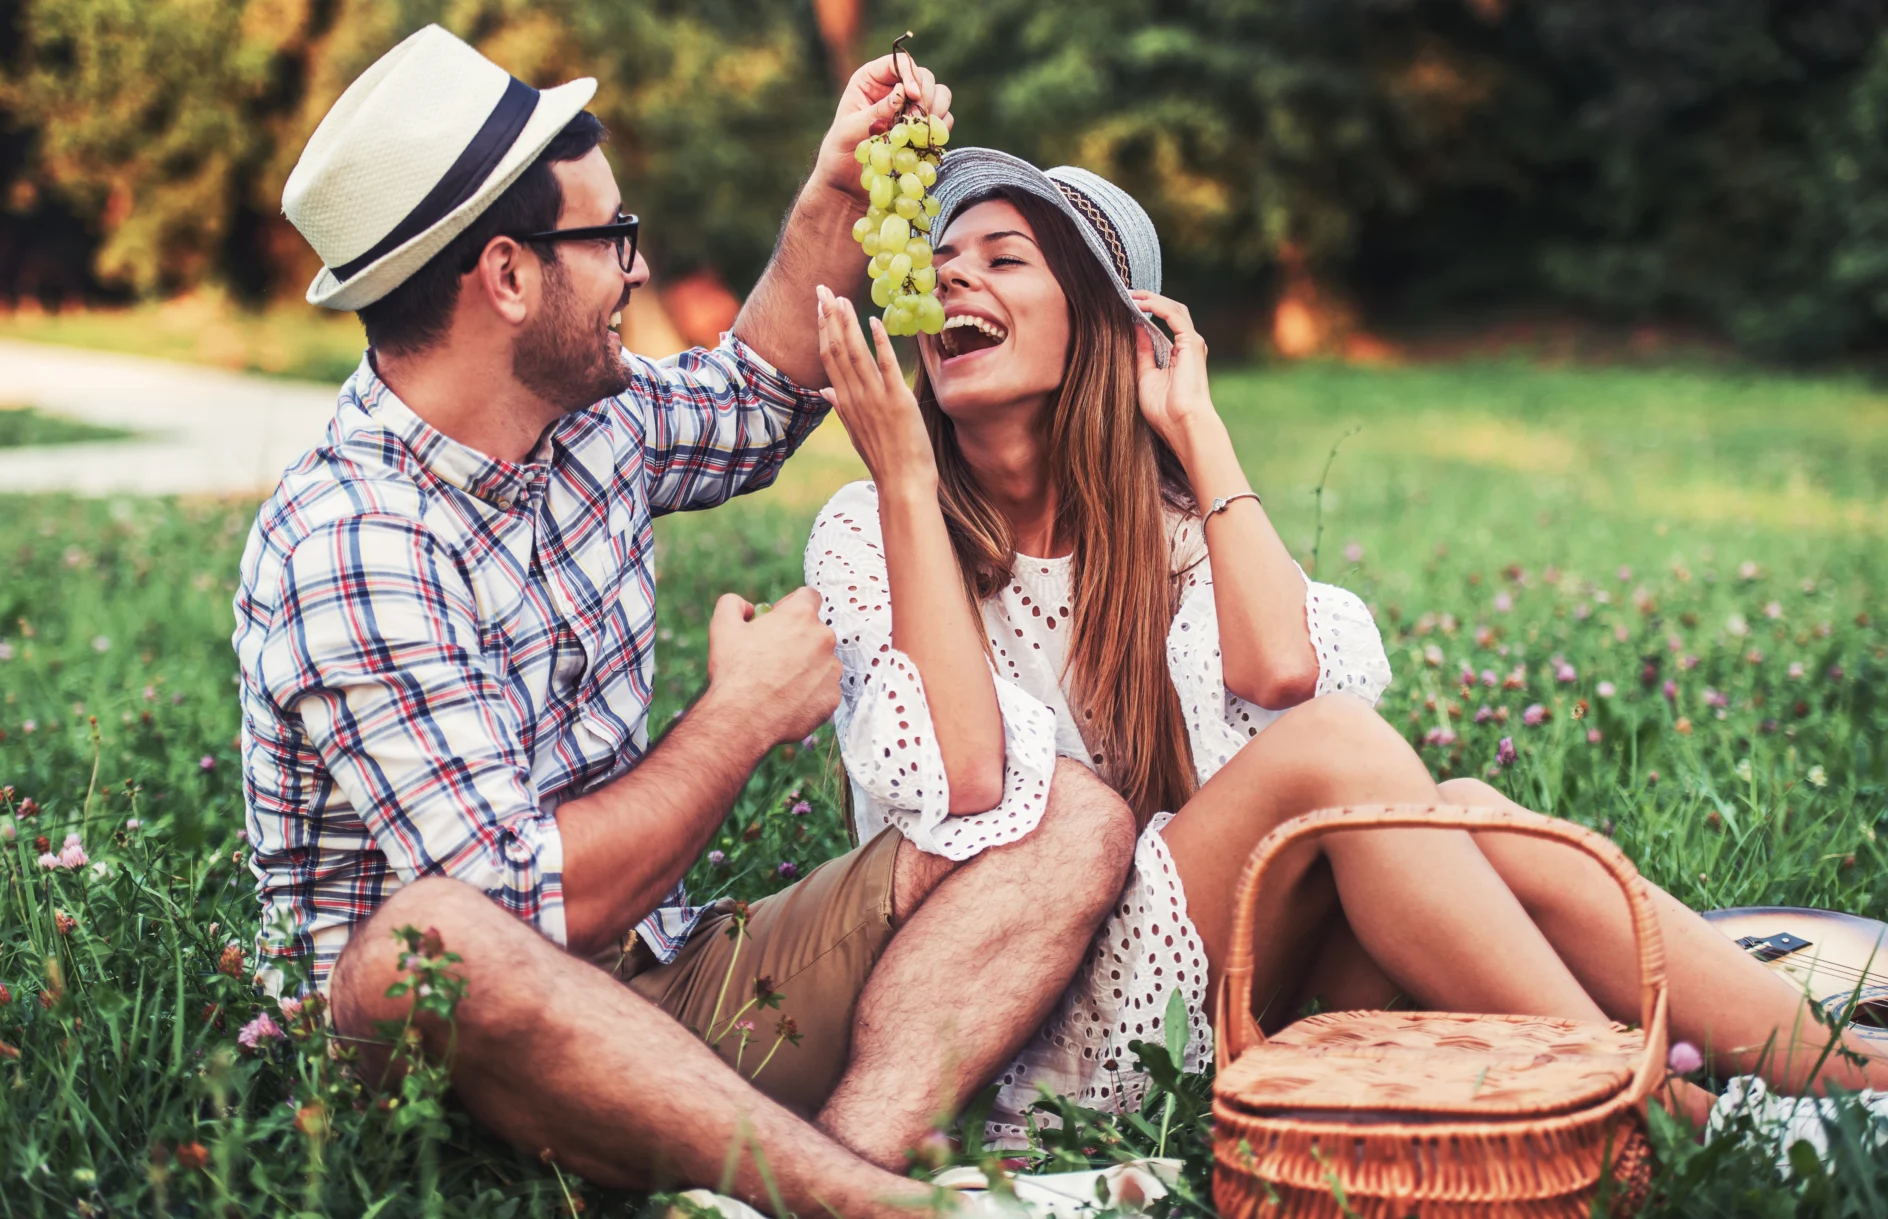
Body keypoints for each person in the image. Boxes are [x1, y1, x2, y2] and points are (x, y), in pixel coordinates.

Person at [804, 147, 1888, 1138]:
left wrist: (1197, 426)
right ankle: (1659, 1112)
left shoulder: (1167, 531)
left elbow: (1282, 669)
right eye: (939, 259)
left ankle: (1853, 1087)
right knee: (1341, 756)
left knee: (1460, 807)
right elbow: (966, 778)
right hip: (1017, 1036)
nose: (950, 277)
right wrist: (903, 472)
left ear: (1103, 325)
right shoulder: (872, 525)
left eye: (1003, 257)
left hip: (1211, 981)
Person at [233, 31, 1140, 1213]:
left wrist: (839, 182)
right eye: (610, 239)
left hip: (670, 982)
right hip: (464, 1055)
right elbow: (520, 910)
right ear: (506, 278)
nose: (638, 269)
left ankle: (820, 1163)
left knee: (1067, 816)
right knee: (432, 940)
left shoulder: (583, 420)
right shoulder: (351, 539)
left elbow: (761, 392)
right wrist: (744, 714)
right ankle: (870, 1205)